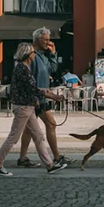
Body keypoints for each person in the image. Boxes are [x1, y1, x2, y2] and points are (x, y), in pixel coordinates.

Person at [0, 43, 68, 176]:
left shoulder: (23, 68)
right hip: (23, 108)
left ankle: (49, 165)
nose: (34, 55)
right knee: (13, 138)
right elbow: (33, 89)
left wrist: (42, 96)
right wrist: (53, 96)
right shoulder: (23, 69)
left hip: (28, 107)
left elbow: (28, 89)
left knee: (38, 136)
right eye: (33, 53)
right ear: (28, 55)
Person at [16, 27, 71, 169]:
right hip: (36, 98)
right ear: (37, 39)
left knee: (29, 129)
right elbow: (28, 79)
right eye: (45, 39)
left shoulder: (42, 56)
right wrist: (36, 96)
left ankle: (22, 158)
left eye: (49, 39)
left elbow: (52, 69)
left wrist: (53, 54)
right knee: (50, 124)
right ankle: (56, 157)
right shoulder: (31, 56)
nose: (48, 42)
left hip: (40, 97)